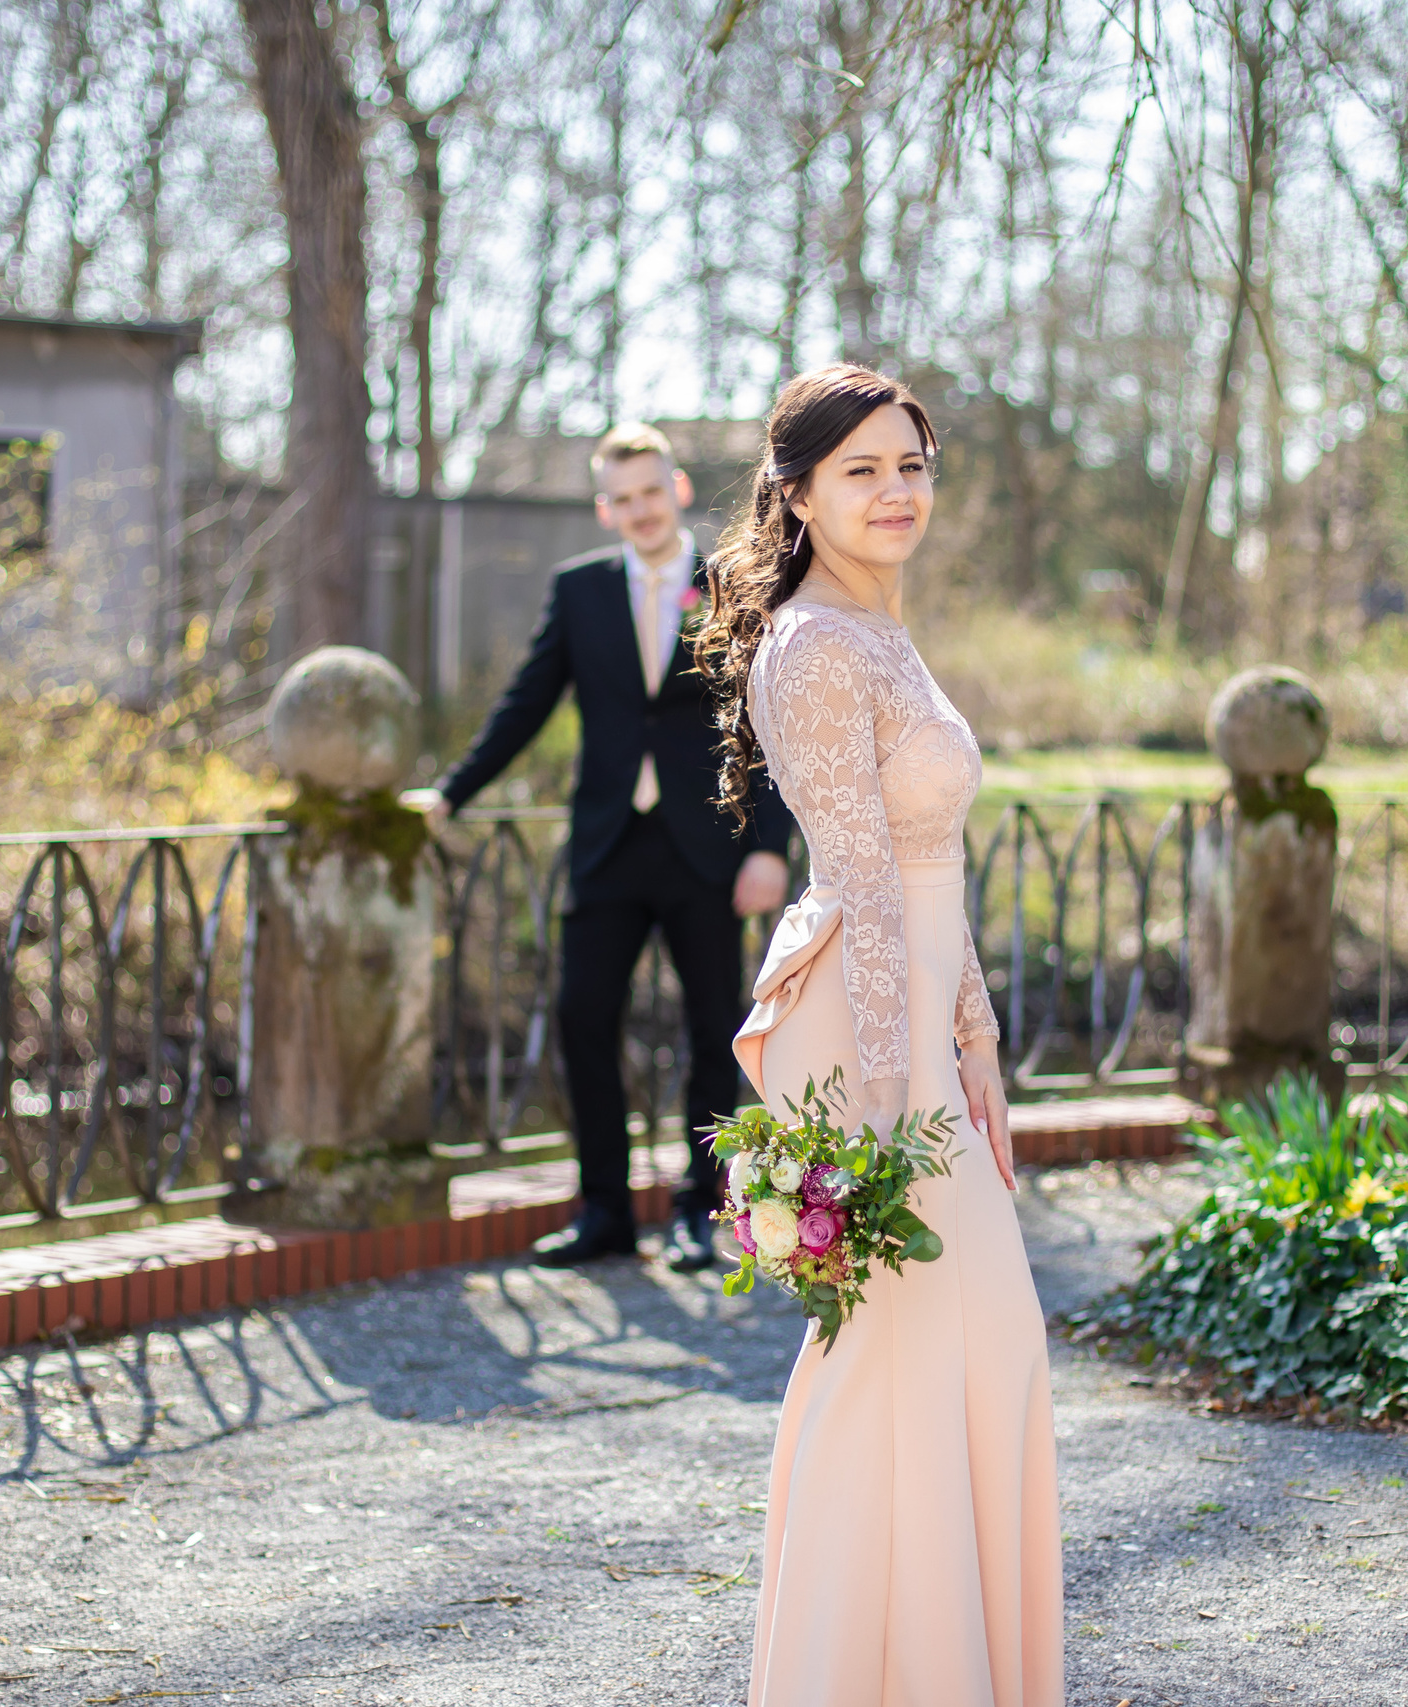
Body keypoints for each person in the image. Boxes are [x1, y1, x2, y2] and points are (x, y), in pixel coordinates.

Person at [695, 366, 1061, 1704]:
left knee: (974, 1353)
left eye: (910, 464)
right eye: (861, 469)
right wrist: (893, 1112)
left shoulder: (888, 629)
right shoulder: (811, 647)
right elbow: (859, 882)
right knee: (913, 1349)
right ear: (797, 495)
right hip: (861, 1034)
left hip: (922, 1018)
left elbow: (934, 869)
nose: (896, 490)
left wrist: (978, 1039)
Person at [405, 423, 795, 1272]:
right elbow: (526, 701)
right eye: (622, 499)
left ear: (678, 490)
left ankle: (701, 1209)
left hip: (708, 849)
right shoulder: (578, 591)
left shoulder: (734, 585)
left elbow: (774, 725)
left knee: (709, 1031)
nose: (640, 509)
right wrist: (450, 794)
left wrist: (771, 846)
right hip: (608, 846)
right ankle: (606, 1212)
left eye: (652, 492)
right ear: (604, 508)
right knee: (585, 1020)